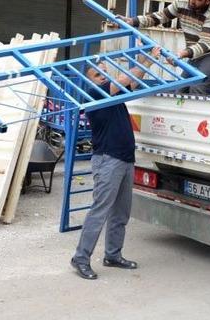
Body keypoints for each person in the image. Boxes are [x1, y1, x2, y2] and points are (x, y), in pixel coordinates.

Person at [70, 45, 161, 280]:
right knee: (100, 211)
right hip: (108, 160)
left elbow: (131, 81)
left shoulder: (113, 92)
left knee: (121, 213)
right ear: (89, 80)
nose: (104, 76)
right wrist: (146, 59)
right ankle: (81, 258)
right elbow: (124, 79)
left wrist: (145, 60)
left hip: (125, 159)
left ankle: (113, 255)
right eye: (98, 73)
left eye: (104, 71)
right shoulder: (94, 94)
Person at [120, 0, 210, 95]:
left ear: (208, 1)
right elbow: (159, 17)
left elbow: (204, 44)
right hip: (196, 54)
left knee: (197, 89)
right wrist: (132, 21)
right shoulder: (182, 1)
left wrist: (180, 54)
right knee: (180, 91)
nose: (192, 0)